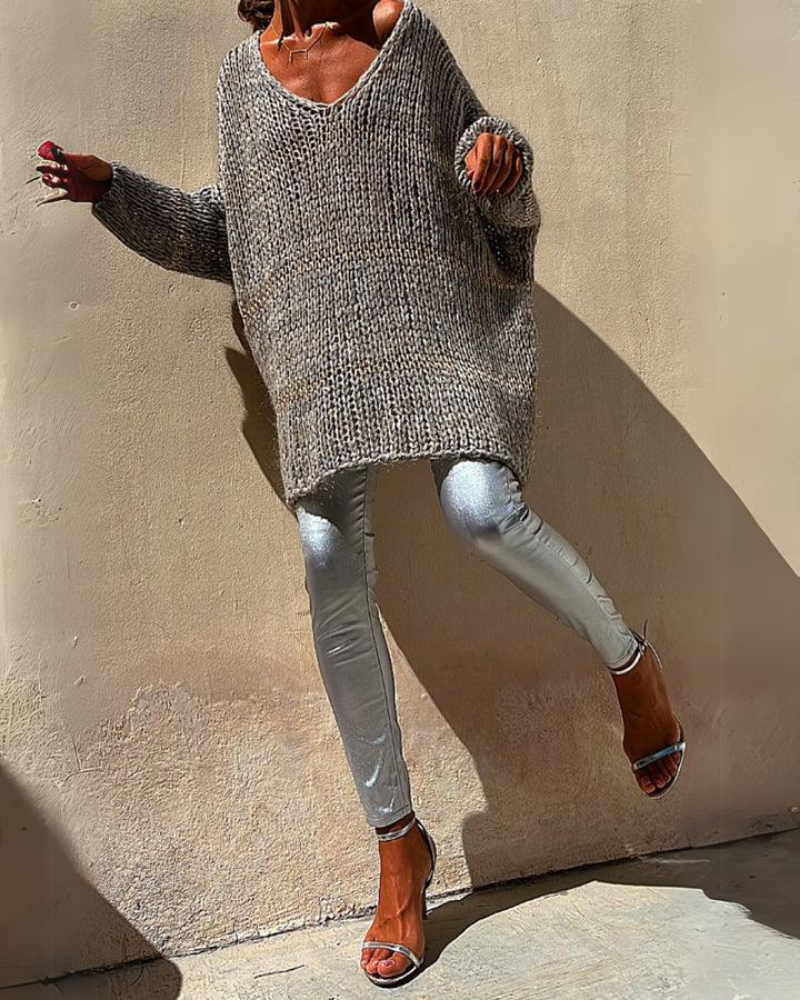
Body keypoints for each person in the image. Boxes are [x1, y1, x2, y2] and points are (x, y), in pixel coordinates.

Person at [35, 0, 686, 987]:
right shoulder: (238, 82)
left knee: (482, 510)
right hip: (321, 366)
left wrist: (500, 164)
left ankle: (633, 669)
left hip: (441, 332)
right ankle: (397, 846)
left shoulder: (403, 37)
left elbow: (491, 169)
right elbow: (230, 233)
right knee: (327, 558)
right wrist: (113, 192)